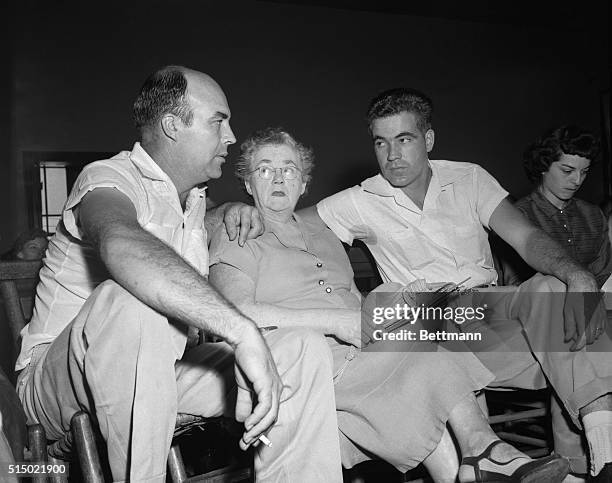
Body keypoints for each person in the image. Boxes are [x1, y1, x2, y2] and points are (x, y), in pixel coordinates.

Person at [14, 66, 342, 482]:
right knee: (133, 299)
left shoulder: (194, 200)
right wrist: (240, 330)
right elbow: (121, 243)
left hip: (165, 369)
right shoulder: (107, 178)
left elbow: (178, 225)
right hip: (60, 383)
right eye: (218, 122)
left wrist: (226, 212)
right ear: (172, 126)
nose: (231, 136)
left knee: (302, 350)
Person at [209, 127, 570, 482]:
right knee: (421, 353)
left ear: (304, 183)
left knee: (425, 314)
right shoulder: (239, 232)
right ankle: (487, 453)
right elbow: (235, 314)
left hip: (365, 347)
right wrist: (336, 321)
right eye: (265, 169)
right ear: (247, 183)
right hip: (308, 360)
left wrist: (401, 302)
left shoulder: (325, 235)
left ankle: (481, 455)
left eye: (289, 169)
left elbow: (353, 302)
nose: (277, 177)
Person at [291, 88, 612, 481]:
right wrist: (234, 211)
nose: (392, 155)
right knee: (394, 304)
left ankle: (598, 443)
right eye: (381, 142)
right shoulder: (360, 200)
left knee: (555, 290)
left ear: (428, 140)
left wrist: (578, 274)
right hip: (430, 323)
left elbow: (526, 239)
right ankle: (556, 459)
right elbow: (288, 223)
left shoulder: (468, 177)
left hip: (488, 316)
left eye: (404, 139)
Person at [505, 125, 612, 288]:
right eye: (567, 170)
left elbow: (604, 276)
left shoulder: (593, 215)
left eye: (584, 172)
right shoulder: (518, 217)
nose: (577, 180)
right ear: (543, 166)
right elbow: (514, 287)